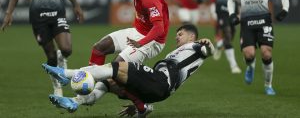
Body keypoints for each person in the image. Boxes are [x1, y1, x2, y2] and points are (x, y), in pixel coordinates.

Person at [42, 24, 214, 116]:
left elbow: (209, 51)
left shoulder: (195, 46)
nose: (176, 36)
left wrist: (208, 43)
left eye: (180, 34)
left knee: (115, 67)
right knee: (108, 82)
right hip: (157, 88)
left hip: (160, 81)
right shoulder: (177, 52)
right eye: (177, 34)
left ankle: (66, 74)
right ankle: (75, 102)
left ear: (192, 36)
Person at [0, 0, 84, 96]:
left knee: (66, 49)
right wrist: (9, 13)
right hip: (39, 18)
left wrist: (76, 5)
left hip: (58, 13)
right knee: (51, 57)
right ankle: (56, 86)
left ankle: (62, 57)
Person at [227, 0, 290, 95]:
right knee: (249, 55)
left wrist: (285, 9)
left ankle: (268, 85)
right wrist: (231, 14)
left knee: (266, 54)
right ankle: (250, 67)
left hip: (264, 21)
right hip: (246, 22)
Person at [89, 0, 169, 66]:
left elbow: (159, 28)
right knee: (99, 48)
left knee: (117, 67)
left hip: (152, 41)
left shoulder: (149, 0)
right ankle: (90, 79)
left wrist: (141, 43)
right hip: (138, 31)